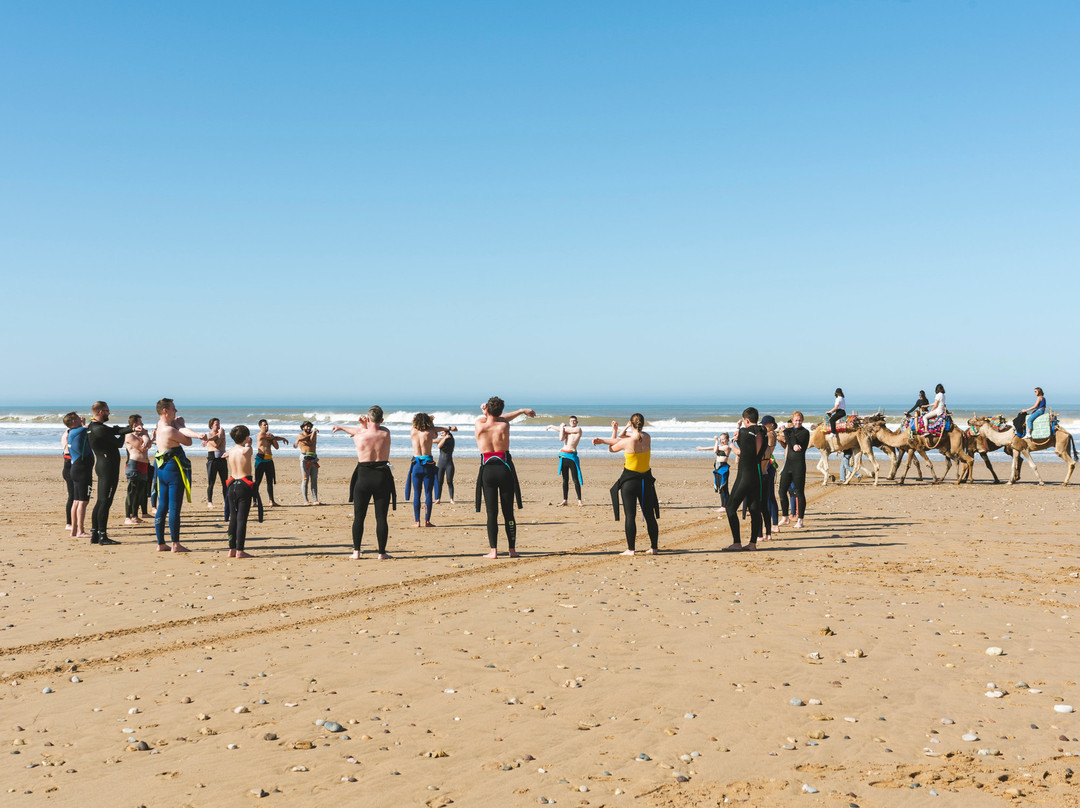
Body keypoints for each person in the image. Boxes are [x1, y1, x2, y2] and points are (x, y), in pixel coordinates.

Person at [474, 397, 535, 559]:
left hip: (487, 470)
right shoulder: (504, 425)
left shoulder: (479, 424)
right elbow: (502, 418)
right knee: (508, 512)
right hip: (505, 469)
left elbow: (490, 418)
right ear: (501, 411)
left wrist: (484, 412)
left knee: (491, 513)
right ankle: (512, 550)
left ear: (487, 410)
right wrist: (522, 410)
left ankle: (493, 551)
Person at [593, 414, 659, 555]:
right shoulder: (647, 437)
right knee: (649, 515)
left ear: (631, 423)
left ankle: (631, 550)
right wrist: (610, 437)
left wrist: (609, 435)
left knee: (630, 516)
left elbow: (612, 448)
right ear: (643, 423)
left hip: (630, 482)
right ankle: (654, 548)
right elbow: (630, 437)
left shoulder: (628, 442)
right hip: (646, 482)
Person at [334, 406, 395, 559]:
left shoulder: (359, 435)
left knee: (359, 516)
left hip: (363, 477)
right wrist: (366, 424)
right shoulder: (385, 432)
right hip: (382, 476)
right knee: (381, 517)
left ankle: (356, 552)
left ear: (368, 419)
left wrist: (342, 427)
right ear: (381, 420)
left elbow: (357, 431)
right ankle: (382, 553)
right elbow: (374, 429)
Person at [153, 398, 208, 553]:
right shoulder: (170, 430)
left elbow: (179, 430)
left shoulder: (160, 425)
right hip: (173, 469)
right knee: (174, 507)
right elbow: (187, 441)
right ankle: (175, 544)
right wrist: (182, 425)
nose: (176, 411)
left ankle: (160, 543)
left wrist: (193, 432)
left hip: (161, 467)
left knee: (162, 506)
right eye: (173, 408)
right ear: (165, 410)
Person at [87, 401, 135, 546]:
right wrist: (128, 433)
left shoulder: (94, 426)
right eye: (107, 411)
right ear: (101, 412)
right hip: (107, 468)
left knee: (101, 501)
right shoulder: (98, 429)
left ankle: (95, 534)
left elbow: (114, 430)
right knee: (105, 501)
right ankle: (103, 536)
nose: (109, 413)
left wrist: (130, 428)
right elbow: (118, 442)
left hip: (104, 466)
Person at [722, 407, 767, 552]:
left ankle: (737, 543)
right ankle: (752, 543)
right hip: (756, 475)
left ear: (746, 420)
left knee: (730, 508)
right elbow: (752, 449)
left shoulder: (743, 431)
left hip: (744, 475)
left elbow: (741, 452)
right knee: (755, 510)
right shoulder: (763, 432)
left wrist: (731, 445)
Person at [405, 414, 457, 527]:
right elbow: (438, 430)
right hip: (428, 465)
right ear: (428, 423)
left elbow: (422, 426)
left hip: (416, 465)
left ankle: (417, 521)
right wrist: (434, 422)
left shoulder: (412, 431)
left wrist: (428, 419)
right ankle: (427, 521)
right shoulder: (430, 431)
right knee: (428, 493)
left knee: (417, 494)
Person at [225, 424, 262, 559]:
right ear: (246, 437)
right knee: (241, 519)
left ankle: (231, 549)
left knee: (233, 519)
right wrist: (249, 444)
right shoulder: (246, 450)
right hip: (243, 485)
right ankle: (240, 550)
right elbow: (249, 451)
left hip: (232, 484)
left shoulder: (231, 451)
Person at [777, 411, 809, 528]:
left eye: (799, 420)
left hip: (799, 465)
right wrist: (786, 431)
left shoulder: (805, 432)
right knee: (781, 491)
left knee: (799, 492)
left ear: (802, 420)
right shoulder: (789, 431)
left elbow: (791, 442)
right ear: (792, 420)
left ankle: (800, 520)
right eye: (796, 420)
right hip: (788, 465)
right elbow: (789, 441)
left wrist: (786, 432)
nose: (798, 422)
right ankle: (785, 517)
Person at [64, 412, 91, 538]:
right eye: (77, 417)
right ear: (73, 421)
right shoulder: (79, 431)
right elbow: (92, 428)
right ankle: (80, 531)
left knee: (76, 501)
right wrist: (85, 424)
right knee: (83, 502)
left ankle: (74, 530)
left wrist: (83, 424)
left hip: (76, 469)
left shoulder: (71, 432)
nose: (81, 418)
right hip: (82, 470)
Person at [547, 416, 584, 506]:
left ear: (577, 422)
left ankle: (579, 500)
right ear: (569, 422)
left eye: (574, 421)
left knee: (575, 479)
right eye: (571, 421)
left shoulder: (578, 429)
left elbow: (564, 430)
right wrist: (558, 427)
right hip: (563, 456)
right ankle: (565, 500)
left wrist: (558, 427)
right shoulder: (566, 431)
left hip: (572, 457)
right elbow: (561, 439)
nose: (573, 422)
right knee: (565, 479)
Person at [123, 414, 152, 525]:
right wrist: (145, 437)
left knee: (140, 492)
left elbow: (148, 444)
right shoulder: (129, 436)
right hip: (134, 465)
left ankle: (135, 515)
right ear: (135, 424)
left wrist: (146, 436)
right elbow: (142, 448)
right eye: (141, 422)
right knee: (132, 492)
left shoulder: (141, 435)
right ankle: (127, 517)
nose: (143, 425)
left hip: (143, 465)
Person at [695, 433, 733, 512]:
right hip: (717, 468)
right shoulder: (720, 447)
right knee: (720, 487)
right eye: (720, 439)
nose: (721, 441)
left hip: (723, 468)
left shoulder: (727, 447)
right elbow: (712, 448)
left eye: (723, 439)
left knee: (723, 487)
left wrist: (716, 441)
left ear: (727, 440)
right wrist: (702, 448)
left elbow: (715, 450)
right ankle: (726, 505)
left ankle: (724, 506)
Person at [254, 419, 287, 506]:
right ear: (260, 426)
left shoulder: (270, 437)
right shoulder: (261, 434)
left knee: (270, 481)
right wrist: (282, 438)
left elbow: (276, 447)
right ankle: (254, 501)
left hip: (269, 460)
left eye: (267, 425)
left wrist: (273, 439)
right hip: (260, 460)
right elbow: (273, 437)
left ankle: (271, 501)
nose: (266, 426)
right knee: (257, 481)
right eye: (264, 425)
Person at [204, 418, 230, 516]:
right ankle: (209, 502)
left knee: (225, 482)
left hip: (222, 459)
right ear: (211, 426)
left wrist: (221, 435)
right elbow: (216, 444)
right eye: (216, 424)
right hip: (212, 459)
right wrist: (220, 434)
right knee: (211, 482)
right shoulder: (209, 435)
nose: (218, 426)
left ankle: (226, 500)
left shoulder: (222, 434)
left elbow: (221, 444)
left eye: (219, 424)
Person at [760, 415, 779, 540]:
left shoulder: (770, 434)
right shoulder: (769, 434)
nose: (763, 426)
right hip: (768, 464)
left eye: (765, 424)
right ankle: (773, 524)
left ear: (771, 424)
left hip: (768, 464)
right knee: (768, 496)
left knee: (769, 496)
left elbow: (768, 451)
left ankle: (774, 524)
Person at [294, 421, 320, 505]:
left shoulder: (313, 434)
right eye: (307, 426)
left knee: (314, 479)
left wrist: (313, 433)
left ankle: (315, 500)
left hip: (314, 458)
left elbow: (311, 440)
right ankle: (306, 500)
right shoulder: (300, 435)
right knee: (305, 480)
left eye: (310, 426)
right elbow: (302, 439)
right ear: (303, 428)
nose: (308, 428)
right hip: (305, 459)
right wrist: (313, 432)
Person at [434, 428, 456, 504]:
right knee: (439, 482)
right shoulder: (442, 440)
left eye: (442, 433)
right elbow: (435, 442)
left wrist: (446, 437)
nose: (441, 434)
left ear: (447, 434)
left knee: (449, 481)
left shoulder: (451, 440)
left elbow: (439, 446)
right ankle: (438, 499)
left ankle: (451, 499)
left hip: (449, 464)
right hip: (440, 464)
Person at [61, 417, 75, 532]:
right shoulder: (67, 434)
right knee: (72, 496)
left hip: (72, 467)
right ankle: (69, 523)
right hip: (69, 468)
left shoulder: (71, 433)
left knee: (75, 497)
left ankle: (72, 521)